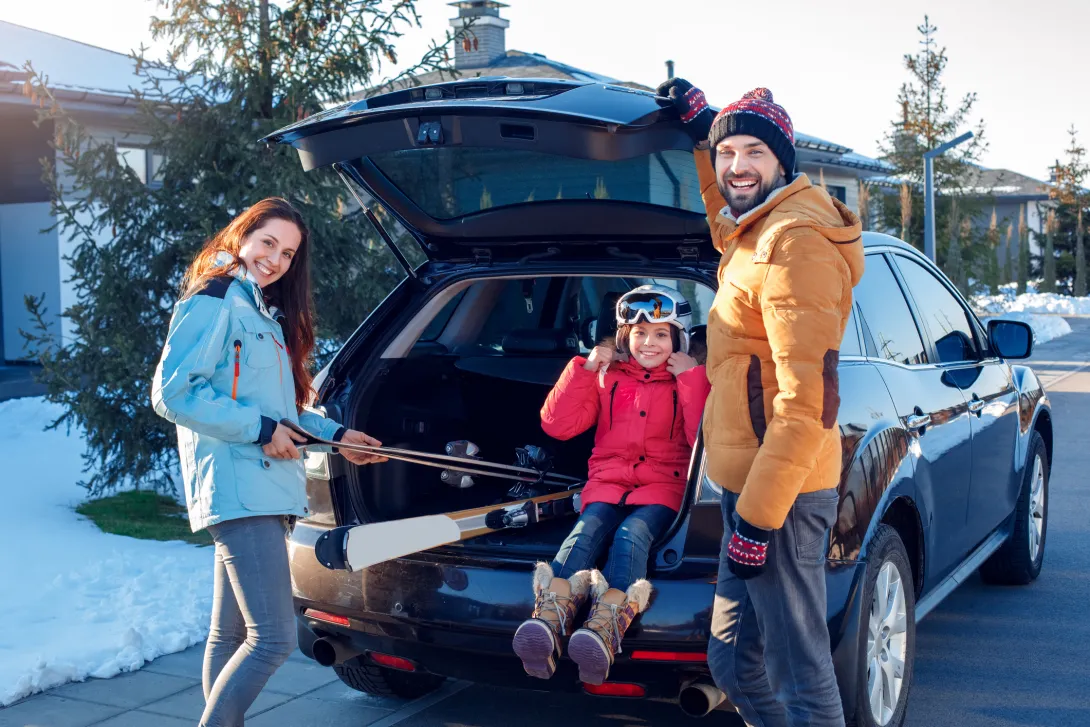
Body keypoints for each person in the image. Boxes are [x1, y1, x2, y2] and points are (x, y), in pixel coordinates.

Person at [657, 79, 864, 727]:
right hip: (749, 491)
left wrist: (756, 520)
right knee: (730, 662)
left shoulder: (794, 243)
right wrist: (703, 136)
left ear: (784, 162)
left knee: (800, 671)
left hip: (784, 498)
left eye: (754, 152)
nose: (737, 166)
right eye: (728, 153)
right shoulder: (753, 230)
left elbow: (810, 403)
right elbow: (725, 212)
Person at [151, 198, 388, 727]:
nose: (275, 259)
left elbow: (282, 411)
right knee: (275, 638)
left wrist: (339, 435)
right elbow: (172, 393)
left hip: (258, 485)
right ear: (242, 237)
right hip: (240, 485)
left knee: (230, 636)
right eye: (268, 243)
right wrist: (259, 432)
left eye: (288, 252)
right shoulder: (215, 299)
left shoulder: (258, 308)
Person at [510, 285, 710, 685]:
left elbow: (701, 438)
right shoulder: (607, 377)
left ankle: (604, 630)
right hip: (607, 482)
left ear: (679, 339)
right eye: (639, 334)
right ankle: (547, 622)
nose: (648, 343)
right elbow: (558, 425)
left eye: (660, 335)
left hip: (662, 487)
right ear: (623, 337)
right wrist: (583, 370)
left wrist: (691, 378)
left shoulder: (690, 378)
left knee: (630, 535)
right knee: (584, 532)